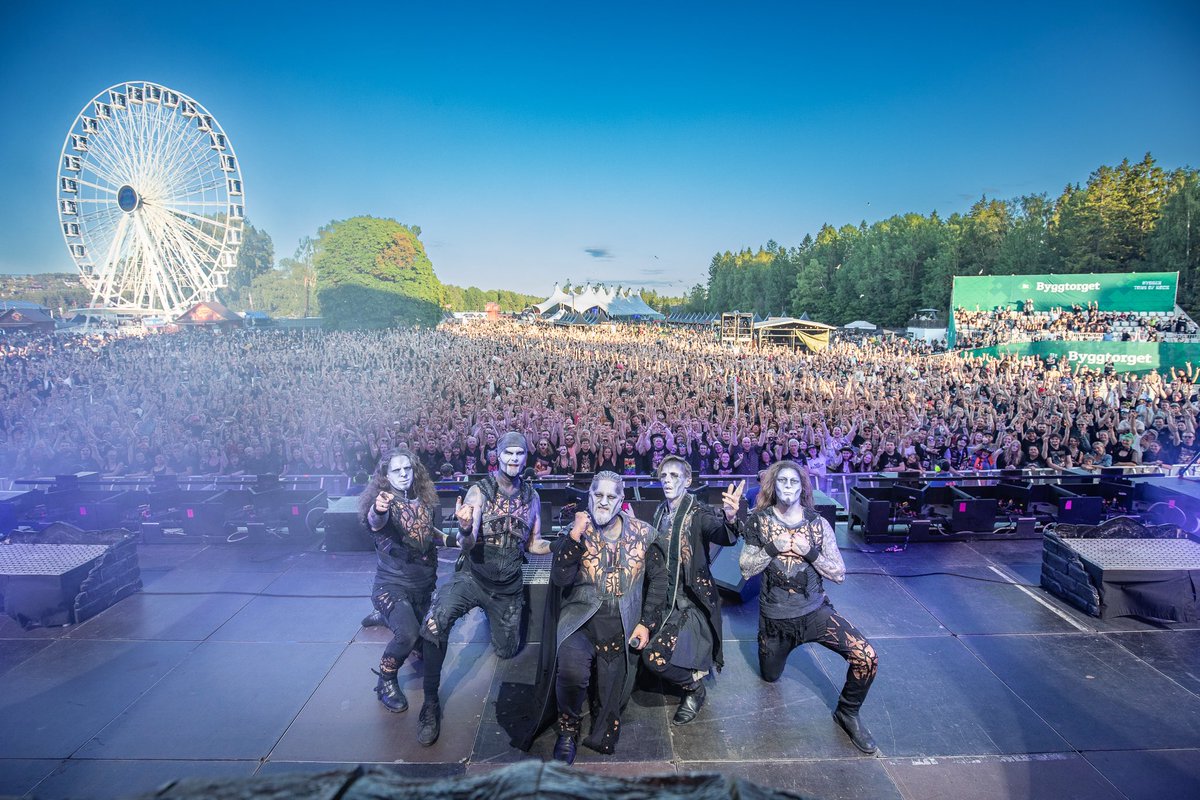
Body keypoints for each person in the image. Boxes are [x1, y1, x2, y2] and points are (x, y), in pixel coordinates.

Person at [418, 432, 549, 746]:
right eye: (508, 453)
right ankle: (430, 703)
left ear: (525, 457)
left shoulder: (532, 497)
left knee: (507, 650)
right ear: (498, 455)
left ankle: (493, 616)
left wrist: (570, 541)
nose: (514, 459)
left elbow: (534, 544)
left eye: (519, 453)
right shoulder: (479, 492)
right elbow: (468, 543)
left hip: (508, 588)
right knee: (435, 624)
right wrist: (464, 529)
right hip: (473, 578)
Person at [739, 461, 879, 754]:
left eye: (794, 481)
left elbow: (839, 574)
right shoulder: (759, 521)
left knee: (866, 657)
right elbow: (746, 569)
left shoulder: (818, 524)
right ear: (773, 486)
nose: (788, 487)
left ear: (802, 487)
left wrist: (810, 552)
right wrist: (772, 547)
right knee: (770, 676)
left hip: (815, 613)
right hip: (775, 620)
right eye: (782, 481)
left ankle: (848, 712)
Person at [549, 471, 657, 763]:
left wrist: (646, 622)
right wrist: (574, 536)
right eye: (598, 495)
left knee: (612, 702)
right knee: (571, 673)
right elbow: (560, 579)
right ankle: (568, 729)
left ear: (621, 500)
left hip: (619, 624)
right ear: (589, 496)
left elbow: (660, 579)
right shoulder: (576, 531)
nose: (604, 502)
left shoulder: (643, 532)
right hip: (580, 620)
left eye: (611, 496)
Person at [641, 456, 743, 725]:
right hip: (663, 598)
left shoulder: (698, 512)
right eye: (664, 476)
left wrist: (730, 518)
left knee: (654, 658)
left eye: (674, 476)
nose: (667, 481)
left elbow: (721, 533)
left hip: (690, 602)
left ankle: (694, 688)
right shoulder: (660, 511)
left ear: (687, 481)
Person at [358, 448, 442, 715]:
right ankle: (385, 681)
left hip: (422, 588)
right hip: (391, 587)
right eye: (396, 470)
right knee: (407, 635)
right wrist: (378, 508)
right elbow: (375, 521)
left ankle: (387, 617)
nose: (404, 474)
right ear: (386, 475)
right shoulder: (383, 501)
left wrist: (459, 536)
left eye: (407, 469)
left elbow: (427, 531)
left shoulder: (424, 499)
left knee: (430, 645)